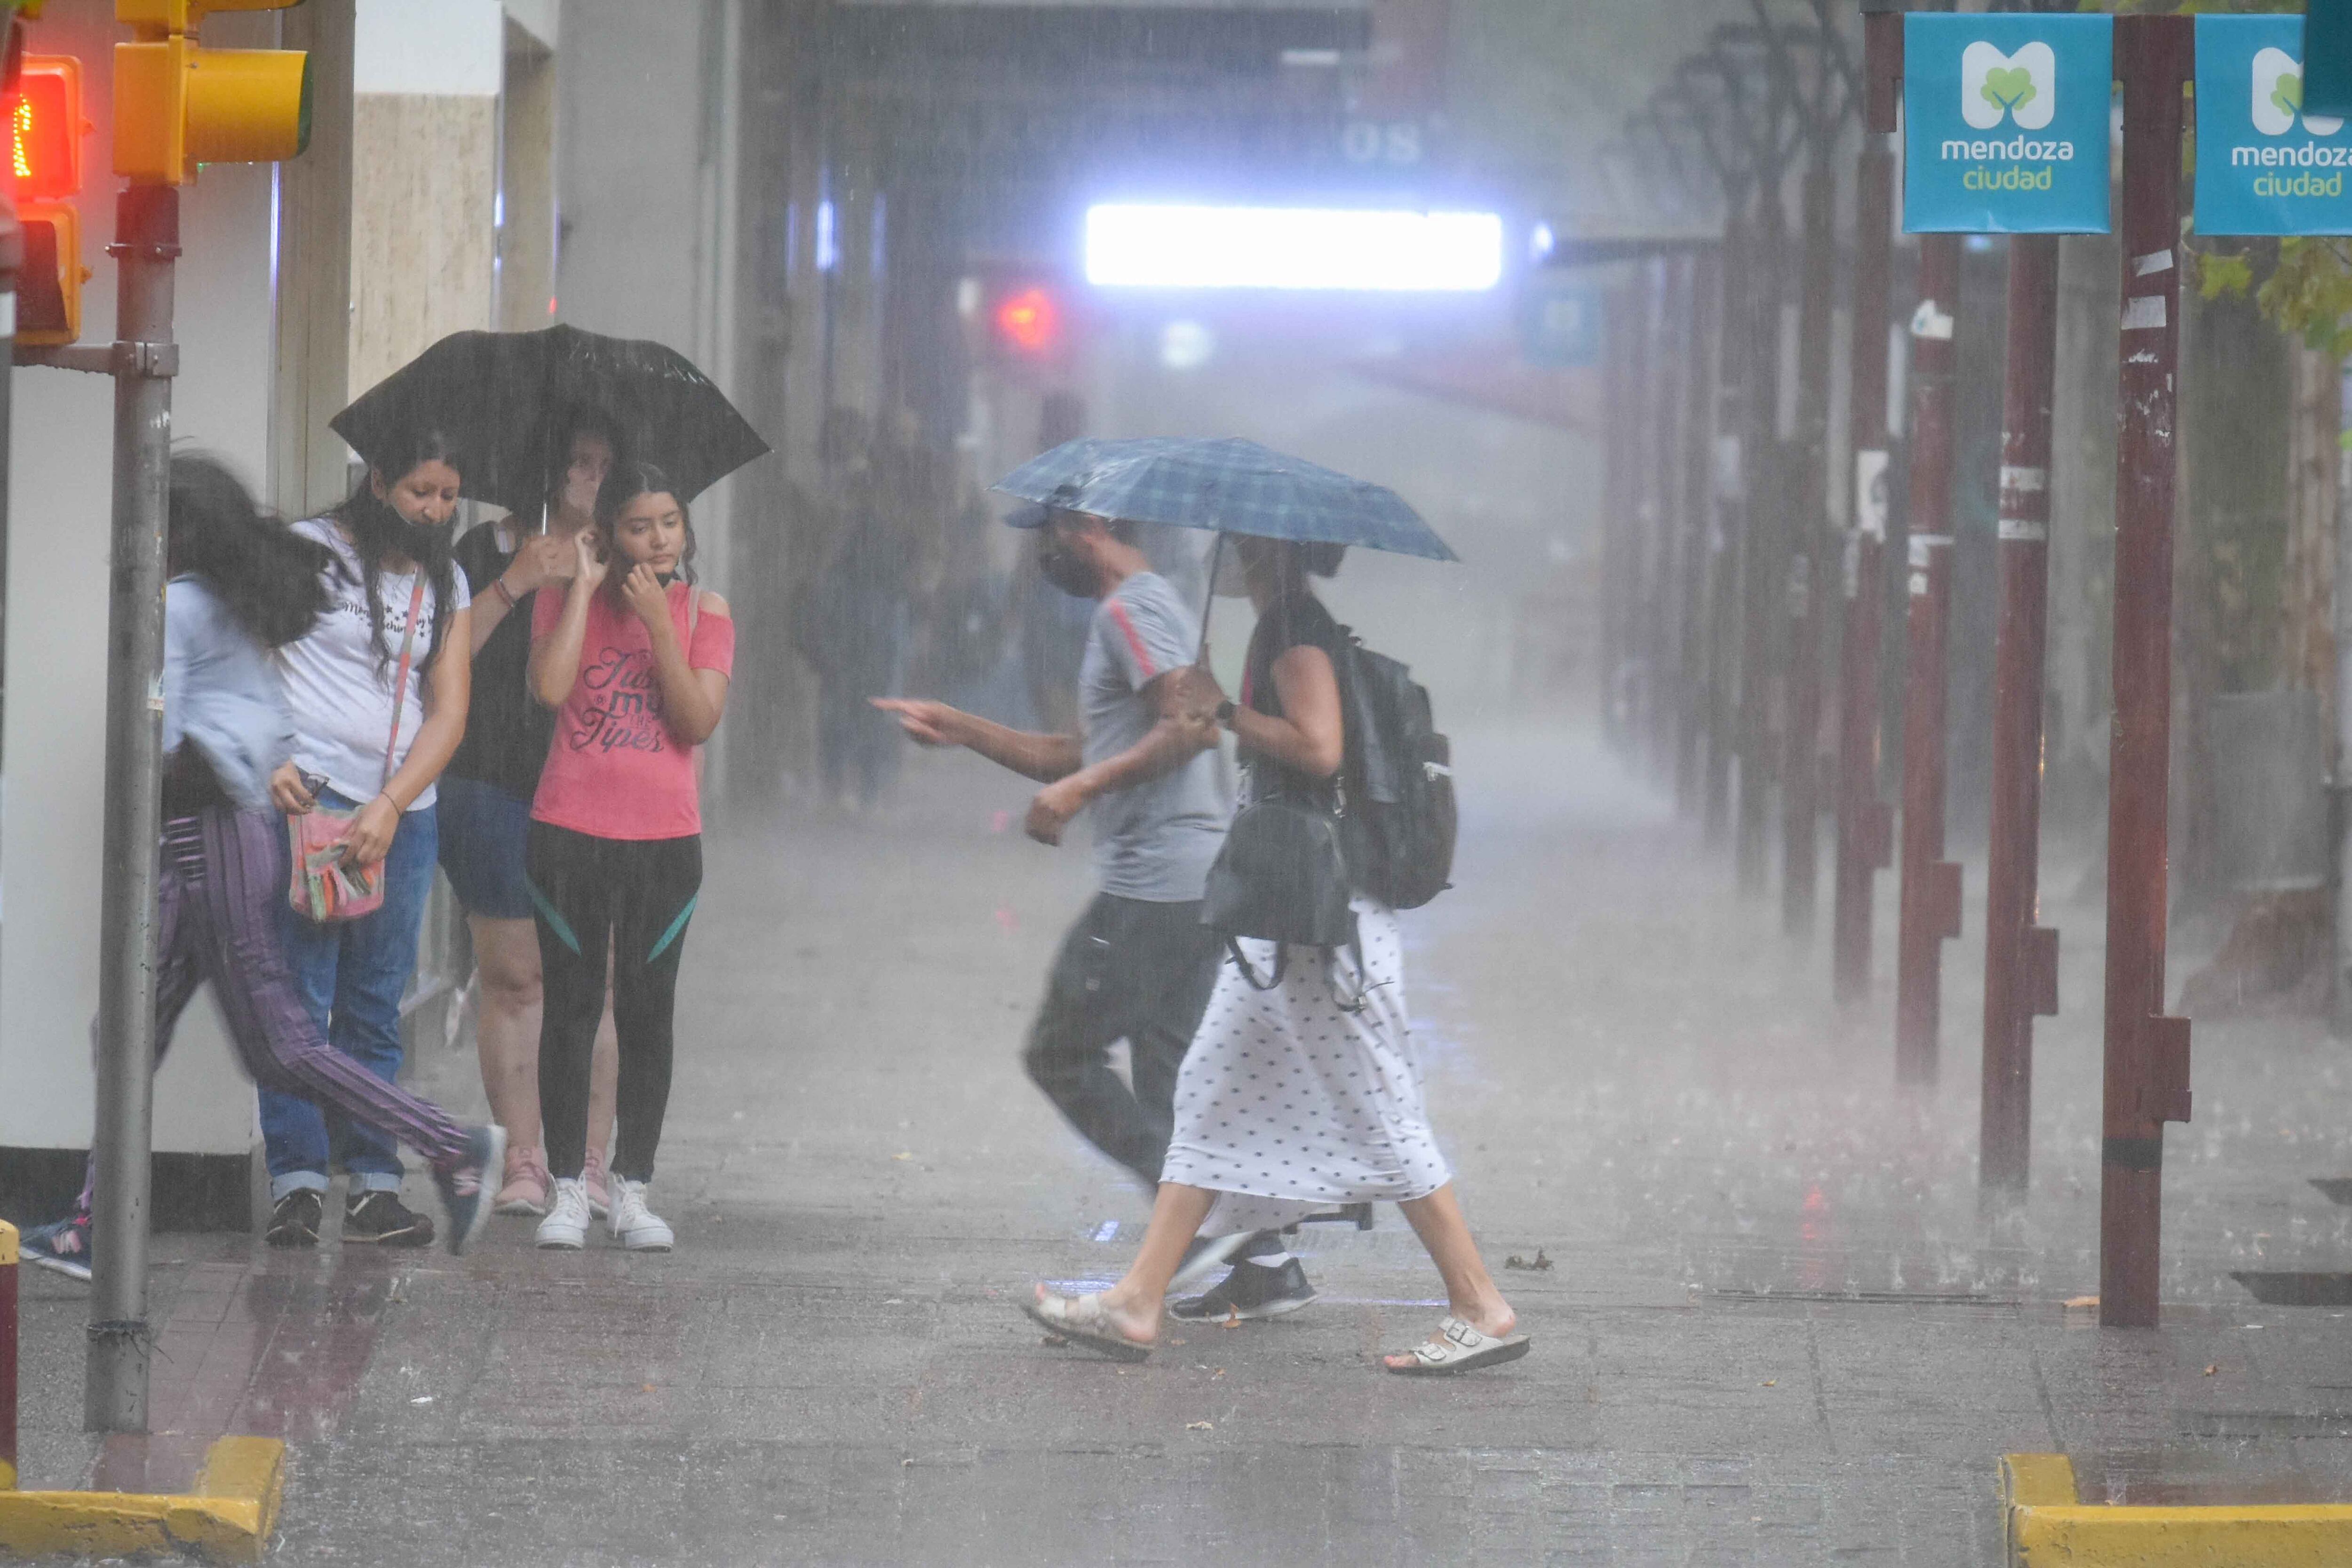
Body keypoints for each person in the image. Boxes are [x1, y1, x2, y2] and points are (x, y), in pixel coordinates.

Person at [1023, 535, 1529, 1374]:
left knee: (1380, 1105)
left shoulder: (1294, 630)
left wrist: (1222, 710)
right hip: (1285, 913)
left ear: (1264, 550)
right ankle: (1138, 1300)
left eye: (1239, 542)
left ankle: (1481, 1302)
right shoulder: (1286, 625)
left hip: (1322, 920)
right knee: (1210, 1092)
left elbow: (1321, 746)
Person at [16, 456, 502, 1278]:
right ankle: (93, 1223)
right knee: (130, 1028)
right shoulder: (226, 600)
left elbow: (157, 735)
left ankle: (452, 1146)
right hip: (226, 836)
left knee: (281, 1043)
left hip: (206, 842)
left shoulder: (178, 603)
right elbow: (260, 714)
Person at [875, 509, 1312, 1306]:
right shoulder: (1152, 607)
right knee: (1169, 1073)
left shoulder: (1132, 610)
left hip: (1156, 882)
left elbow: (1190, 731)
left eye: (1050, 528)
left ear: (1089, 523)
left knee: (1059, 1051)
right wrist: (963, 727)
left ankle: (1201, 1227)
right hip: (1192, 876)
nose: (1041, 549)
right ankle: (1266, 1262)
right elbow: (1083, 748)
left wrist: (1079, 792)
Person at [259, 428, 475, 1249]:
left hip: (402, 815)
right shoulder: (309, 551)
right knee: (298, 997)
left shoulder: (444, 581)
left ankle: (374, 1182)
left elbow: (449, 711)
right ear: (378, 481)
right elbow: (245, 650)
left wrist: (391, 803)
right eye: (422, 490)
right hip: (309, 798)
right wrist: (270, 754)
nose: (435, 509)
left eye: (450, 496)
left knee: (375, 1002)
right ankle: (298, 1183)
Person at [526, 462, 734, 1251]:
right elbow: (548, 688)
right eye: (639, 526)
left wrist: (657, 625)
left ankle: (633, 1186)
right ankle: (568, 1189)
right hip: (569, 832)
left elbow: (696, 720)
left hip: (664, 842)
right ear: (610, 532)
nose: (657, 541)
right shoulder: (562, 596)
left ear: (686, 530)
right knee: (573, 1008)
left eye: (670, 523)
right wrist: (581, 588)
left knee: (649, 1010)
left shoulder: (705, 609)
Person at [441, 414, 623, 1218]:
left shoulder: (630, 553)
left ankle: (586, 1162)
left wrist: (593, 580)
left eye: (601, 466)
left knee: (593, 982)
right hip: (488, 784)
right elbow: (436, 661)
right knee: (515, 977)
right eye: (576, 462)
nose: (588, 479)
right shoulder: (482, 551)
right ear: (547, 472)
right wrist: (518, 579)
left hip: (596, 789)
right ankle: (522, 1156)